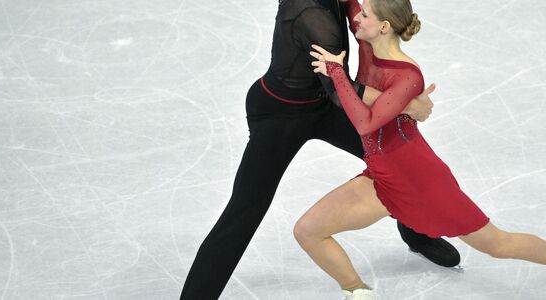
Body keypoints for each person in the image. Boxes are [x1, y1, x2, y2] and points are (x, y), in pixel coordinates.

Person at [296, 0, 546, 299]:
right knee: (308, 230)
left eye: (365, 14)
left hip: (420, 179)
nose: (356, 18)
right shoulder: (371, 44)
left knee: (496, 244)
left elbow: (366, 124)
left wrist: (337, 73)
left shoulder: (408, 76)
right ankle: (358, 291)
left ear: (383, 26)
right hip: (382, 175)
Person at [179, 0, 463, 299]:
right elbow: (341, 92)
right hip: (281, 115)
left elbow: (362, 31)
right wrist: (407, 102)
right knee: (246, 208)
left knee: (398, 159)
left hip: (322, 104)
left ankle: (415, 232)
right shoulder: (312, 14)